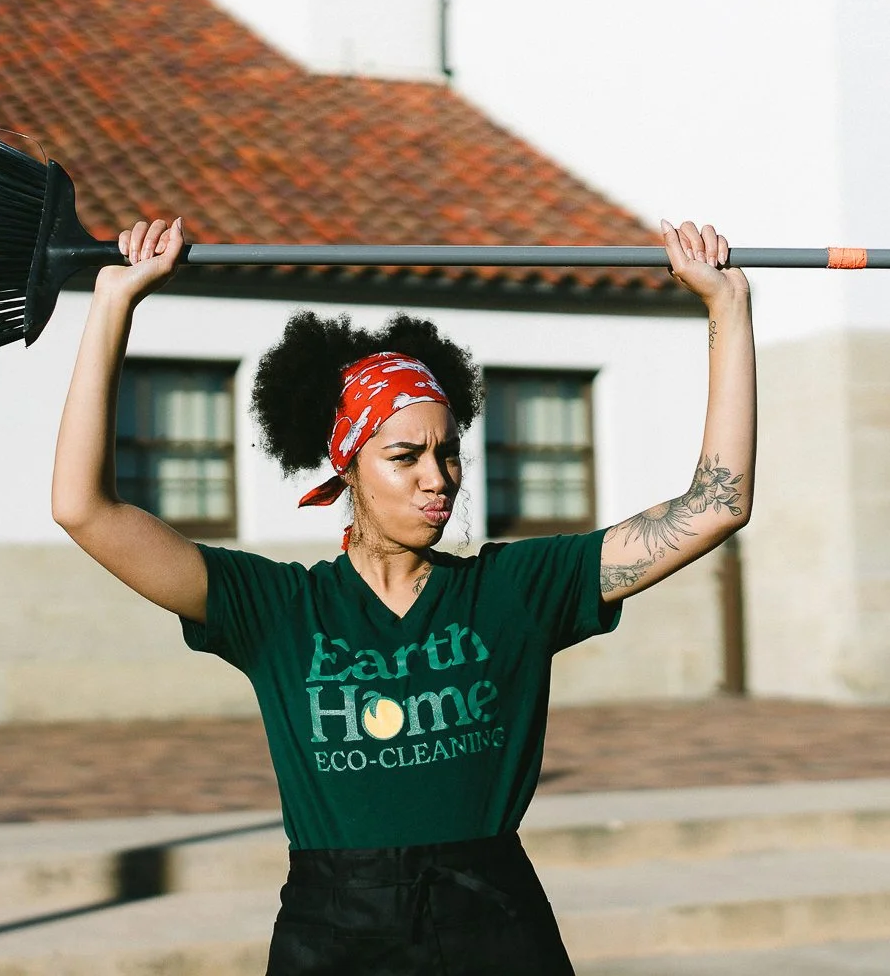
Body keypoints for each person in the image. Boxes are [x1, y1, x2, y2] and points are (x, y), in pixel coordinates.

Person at [52, 216, 755, 974]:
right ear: (349, 465)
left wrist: (727, 307)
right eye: (405, 455)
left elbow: (716, 505)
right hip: (333, 935)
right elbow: (83, 509)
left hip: (495, 929)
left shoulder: (515, 589)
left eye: (448, 453)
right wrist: (113, 303)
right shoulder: (278, 610)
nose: (437, 478)